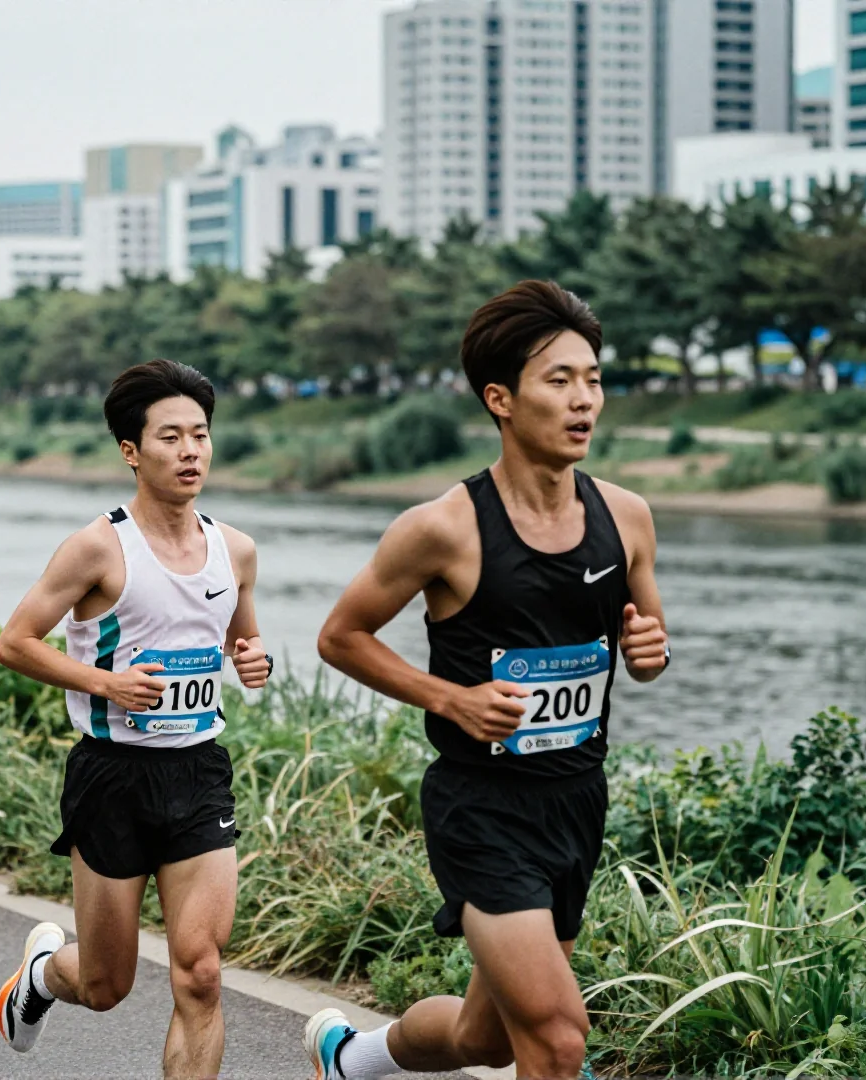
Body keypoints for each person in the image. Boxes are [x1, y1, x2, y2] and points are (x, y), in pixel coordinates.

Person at [303, 281, 669, 1080]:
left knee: (487, 1039)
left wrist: (650, 654)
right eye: (559, 381)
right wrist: (450, 697)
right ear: (501, 399)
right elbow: (340, 636)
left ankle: (353, 1057)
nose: (584, 401)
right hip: (483, 808)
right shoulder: (444, 527)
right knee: (560, 1037)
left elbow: (648, 644)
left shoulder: (627, 516)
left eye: (594, 378)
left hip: (576, 797)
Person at [0, 358, 272, 1080]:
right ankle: (44, 976)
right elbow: (14, 642)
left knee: (201, 974)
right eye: (171, 437)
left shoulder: (234, 549)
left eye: (201, 436)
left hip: (199, 770)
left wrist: (252, 660)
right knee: (106, 985)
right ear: (130, 451)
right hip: (112, 777)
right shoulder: (97, 547)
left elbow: (242, 634)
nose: (190, 452)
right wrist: (103, 683)